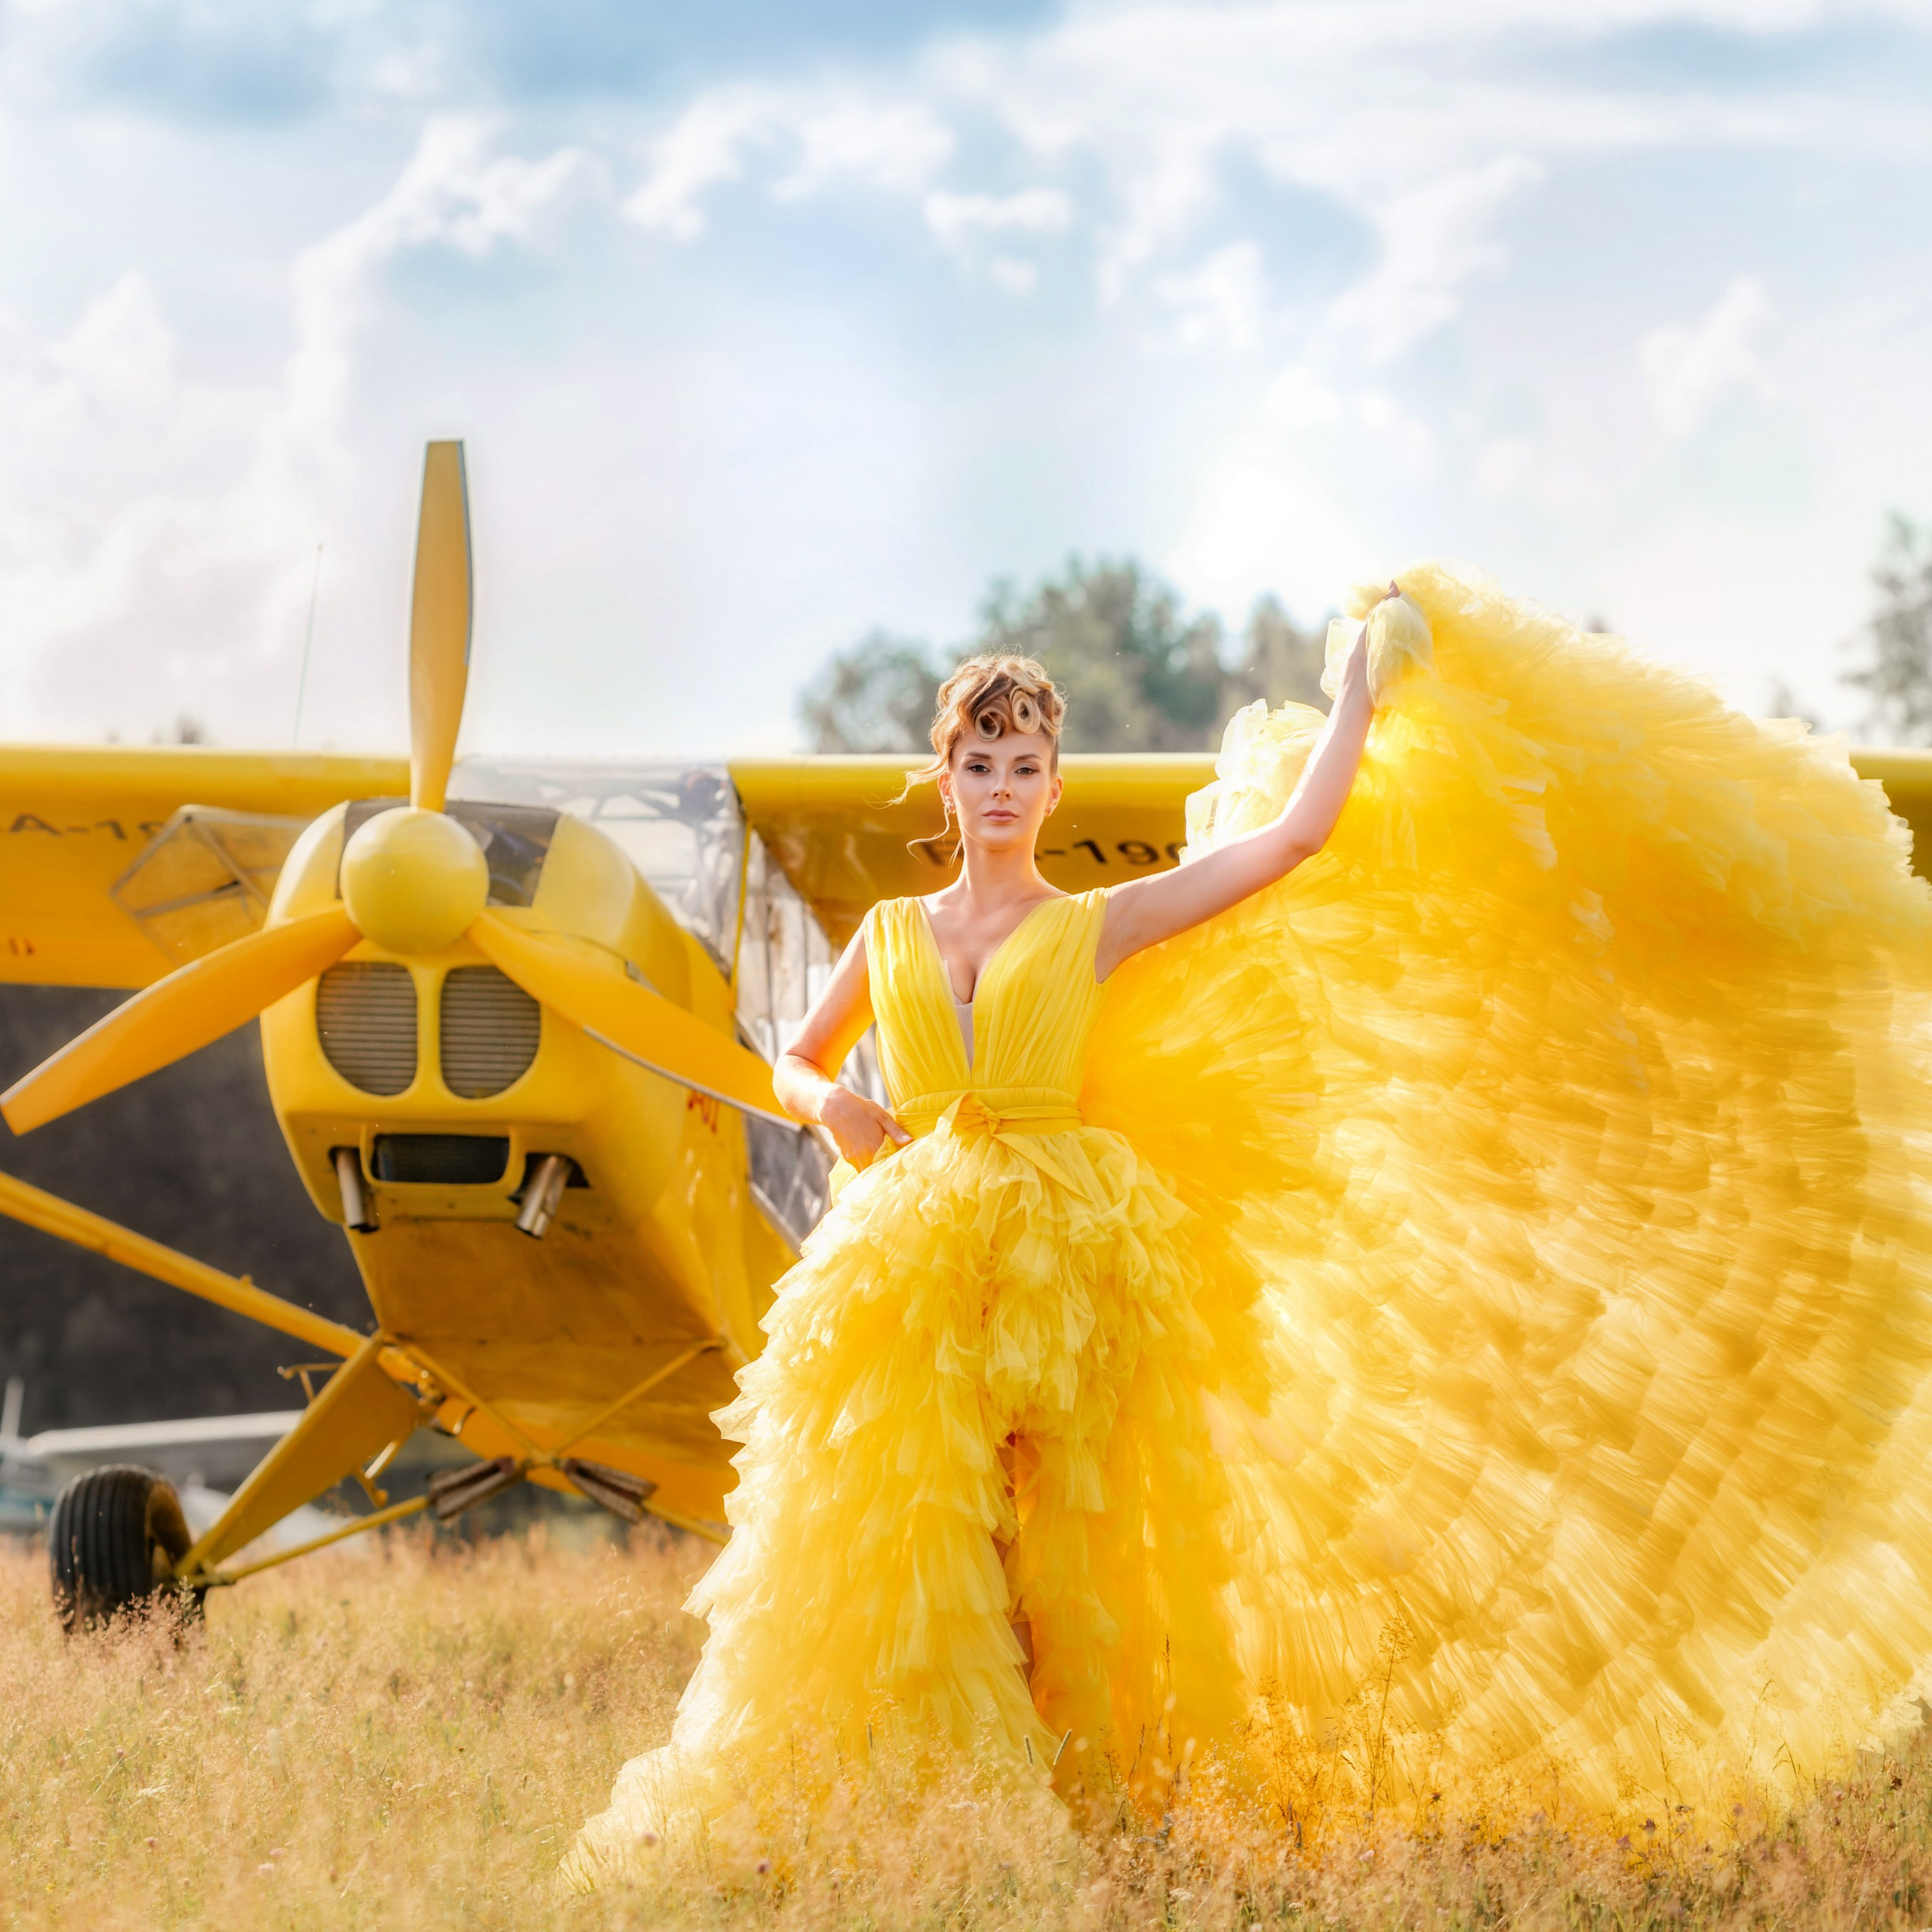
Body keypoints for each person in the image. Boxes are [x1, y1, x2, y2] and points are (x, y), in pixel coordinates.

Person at [568, 559, 1932, 1883]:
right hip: (907, 1253)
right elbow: (792, 1058)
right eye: (980, 764)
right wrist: (834, 1108)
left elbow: (1289, 844)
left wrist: (1359, 696)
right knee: (905, 1526)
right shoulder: (888, 933)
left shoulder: (1097, 921)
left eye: (1026, 765)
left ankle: (1077, 1818)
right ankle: (901, 1813)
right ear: (947, 779)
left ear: (1053, 786)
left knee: (1065, 1544)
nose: (1003, 789)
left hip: (1064, 1252)